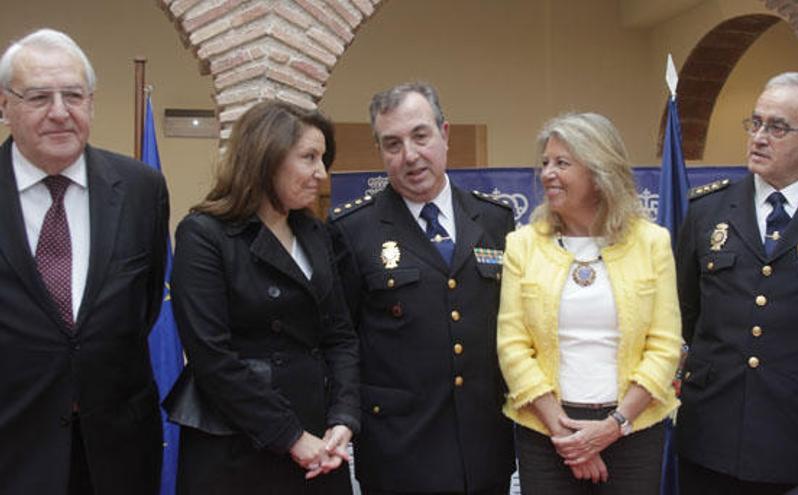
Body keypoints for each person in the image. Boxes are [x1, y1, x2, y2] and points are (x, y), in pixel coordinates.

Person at [675, 72, 798, 495]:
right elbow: (687, 311)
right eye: (756, 123)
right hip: (714, 435)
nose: (760, 137)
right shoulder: (707, 211)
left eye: (778, 127)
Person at [0, 29, 168, 494]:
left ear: (91, 103)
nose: (59, 111)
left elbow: (146, 303)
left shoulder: (141, 190)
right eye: (38, 96)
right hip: (12, 445)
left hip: (118, 450)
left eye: (73, 95)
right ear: (4, 105)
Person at [328, 82, 516, 494]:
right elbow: (342, 341)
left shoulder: (495, 220)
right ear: (380, 152)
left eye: (420, 136)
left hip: (486, 447)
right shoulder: (351, 231)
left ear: (444, 135)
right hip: (399, 451)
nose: (409, 156)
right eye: (392, 144)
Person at [165, 100, 359, 493]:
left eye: (323, 159)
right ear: (267, 157)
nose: (321, 174)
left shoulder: (318, 235)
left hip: (319, 444)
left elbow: (340, 336)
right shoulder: (204, 234)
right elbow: (212, 357)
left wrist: (343, 418)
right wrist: (290, 436)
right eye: (309, 158)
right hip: (237, 445)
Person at [497, 112, 682, 494]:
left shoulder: (652, 242)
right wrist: (568, 435)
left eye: (562, 163)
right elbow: (512, 346)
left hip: (633, 429)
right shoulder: (523, 245)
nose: (548, 173)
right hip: (545, 432)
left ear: (600, 172)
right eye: (545, 163)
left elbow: (664, 347)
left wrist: (612, 427)